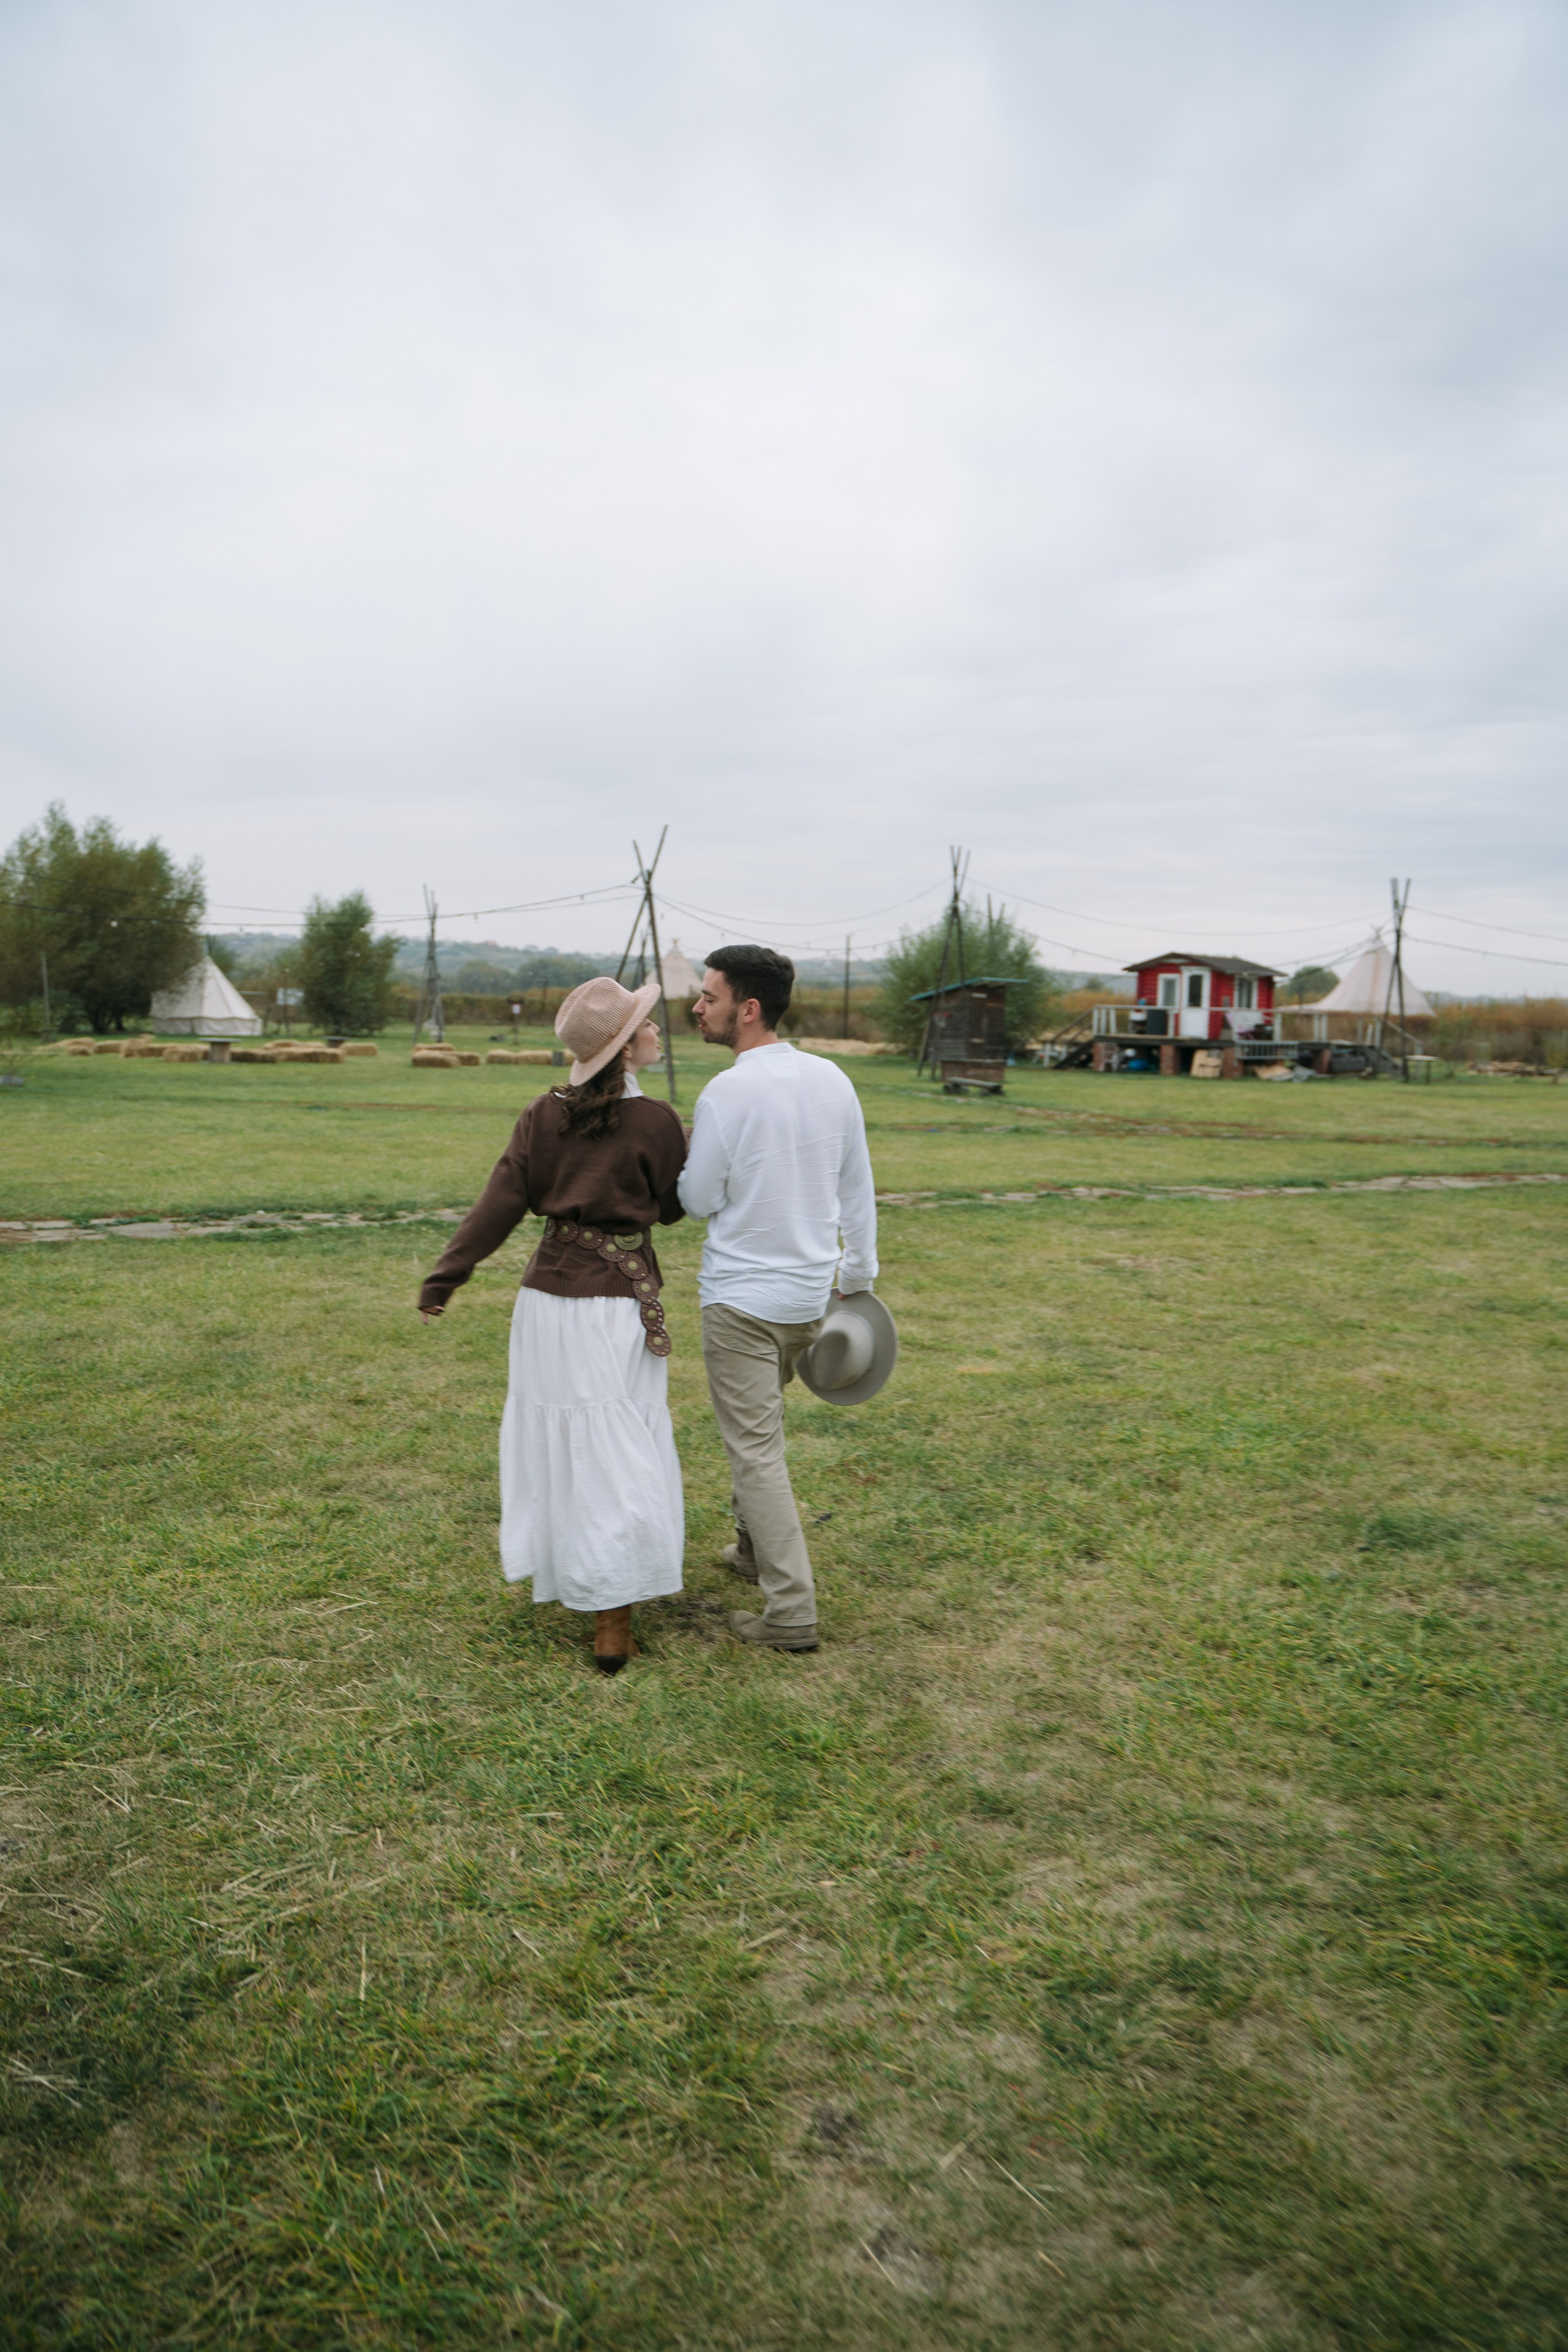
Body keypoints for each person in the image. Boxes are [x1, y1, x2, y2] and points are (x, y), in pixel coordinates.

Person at [418, 977, 687, 1673]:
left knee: (582, 1445)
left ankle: (594, 1582)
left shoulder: (541, 1116)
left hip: (546, 1306)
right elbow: (675, 1208)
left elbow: (497, 1205)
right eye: (645, 1025)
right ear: (626, 1048)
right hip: (616, 1304)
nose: (657, 1030)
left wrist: (447, 1275)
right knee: (617, 1446)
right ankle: (611, 1616)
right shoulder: (657, 1122)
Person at [679, 944, 878, 1652]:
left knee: (755, 1451)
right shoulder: (833, 1080)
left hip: (740, 1302)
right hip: (810, 1299)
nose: (698, 1007)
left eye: (708, 996)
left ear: (748, 1008)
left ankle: (790, 1612)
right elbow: (856, 1187)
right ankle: (751, 1551)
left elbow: (698, 1200)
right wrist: (860, 1275)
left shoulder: (726, 1094)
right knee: (761, 1435)